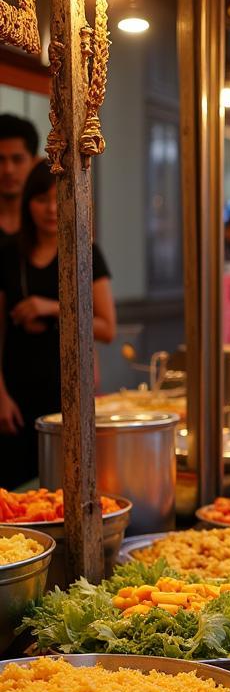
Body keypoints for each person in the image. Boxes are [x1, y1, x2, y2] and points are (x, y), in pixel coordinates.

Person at [0, 161, 116, 488]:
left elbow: (107, 327)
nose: (51, 208)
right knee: (13, 485)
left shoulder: (86, 251)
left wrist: (49, 307)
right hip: (15, 387)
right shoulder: (9, 255)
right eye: (40, 199)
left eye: (58, 197)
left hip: (69, 385)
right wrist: (0, 393)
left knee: (65, 481)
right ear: (27, 204)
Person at [0, 115, 37, 243]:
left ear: (33, 162)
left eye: (17, 159)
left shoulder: (48, 222)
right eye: (0, 160)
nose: (8, 170)